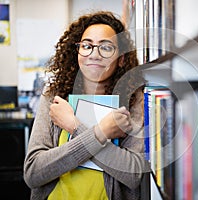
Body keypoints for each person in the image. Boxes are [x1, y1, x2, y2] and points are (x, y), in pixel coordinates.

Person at [23, 11, 148, 200]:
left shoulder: (134, 101)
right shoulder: (53, 98)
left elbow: (133, 175)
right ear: (78, 51)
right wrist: (101, 133)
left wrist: (75, 126)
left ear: (121, 58)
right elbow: (33, 172)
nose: (94, 54)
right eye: (87, 46)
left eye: (106, 48)